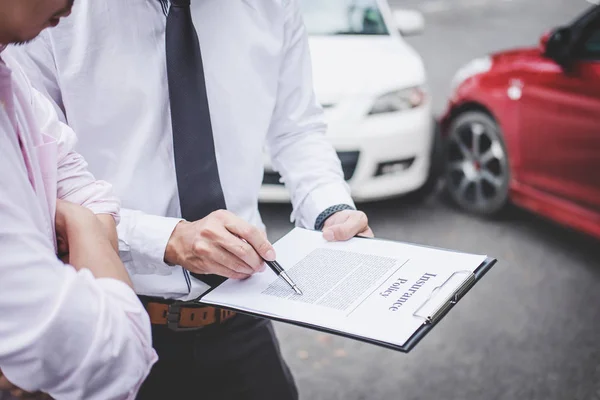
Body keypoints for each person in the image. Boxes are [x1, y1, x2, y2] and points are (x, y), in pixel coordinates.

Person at [10, 0, 374, 398]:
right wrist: (167, 239)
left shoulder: (273, 6)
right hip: (114, 318)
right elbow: (45, 183)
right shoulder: (49, 13)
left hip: (243, 314)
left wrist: (331, 209)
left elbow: (297, 128)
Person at [0, 1, 157, 399]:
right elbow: (118, 352)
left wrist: (82, 217)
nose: (73, 6)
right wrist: (83, 228)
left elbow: (84, 187)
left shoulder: (11, 75)